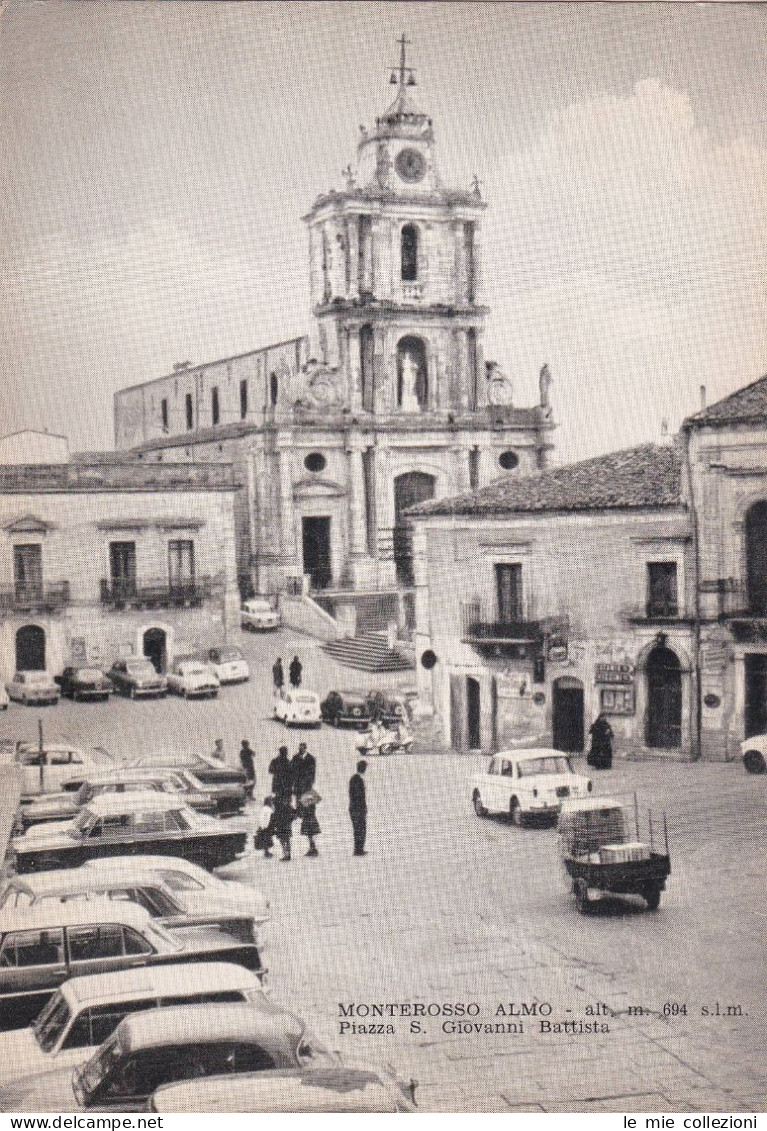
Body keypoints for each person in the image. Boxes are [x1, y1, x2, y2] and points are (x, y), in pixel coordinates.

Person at [291, 742, 320, 857]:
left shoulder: (311, 759)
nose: (300, 750)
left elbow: (312, 775)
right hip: (299, 790)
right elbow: (292, 773)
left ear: (306, 748)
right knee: (305, 815)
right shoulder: (295, 758)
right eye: (299, 748)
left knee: (308, 816)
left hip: (307, 790)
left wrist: (306, 786)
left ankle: (312, 846)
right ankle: (312, 846)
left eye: (302, 748)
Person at [268, 745, 294, 861]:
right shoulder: (288, 763)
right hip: (285, 795)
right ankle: (287, 852)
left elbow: (270, 770)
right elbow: (292, 779)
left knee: (282, 828)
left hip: (279, 794)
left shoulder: (276, 761)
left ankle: (286, 853)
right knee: (286, 828)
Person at [349, 760, 368, 856]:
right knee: (360, 829)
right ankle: (358, 849)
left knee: (359, 829)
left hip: (356, 808)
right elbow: (357, 796)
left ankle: (359, 848)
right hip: (357, 808)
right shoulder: (357, 779)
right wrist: (362, 808)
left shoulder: (355, 778)